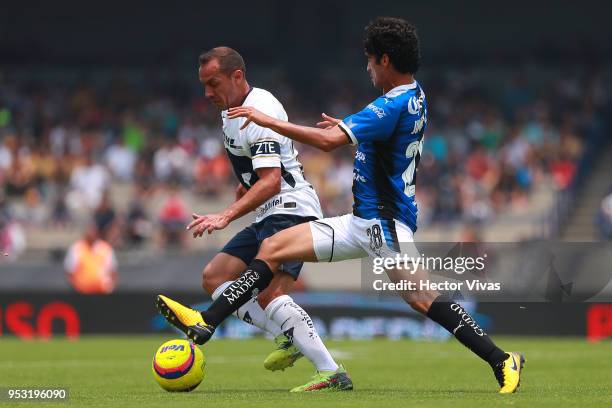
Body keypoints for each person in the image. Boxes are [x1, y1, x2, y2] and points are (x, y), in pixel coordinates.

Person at [158, 18, 526, 394]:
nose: (366, 68)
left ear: (384, 60)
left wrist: (267, 120)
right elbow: (363, 136)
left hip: (384, 224)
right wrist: (346, 130)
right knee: (272, 248)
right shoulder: (412, 95)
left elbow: (329, 141)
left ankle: (502, 359)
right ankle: (208, 320)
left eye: (369, 60)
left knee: (421, 298)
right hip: (359, 222)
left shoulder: (391, 104)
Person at [156, 47, 351, 392]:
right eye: (203, 85)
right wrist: (241, 188)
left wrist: (226, 215)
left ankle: (331, 371)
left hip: (291, 208)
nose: (207, 93)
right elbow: (257, 170)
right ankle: (288, 336)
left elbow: (273, 179)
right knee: (214, 275)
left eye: (213, 83)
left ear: (237, 76)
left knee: (271, 296)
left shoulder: (259, 108)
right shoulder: (230, 111)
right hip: (267, 210)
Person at [64, 222, 117, 294]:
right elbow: (69, 271)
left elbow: (112, 271)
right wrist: (76, 286)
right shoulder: (76, 248)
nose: (91, 234)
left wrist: (110, 287)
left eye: (93, 231)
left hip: (102, 291)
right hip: (81, 292)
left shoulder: (105, 248)